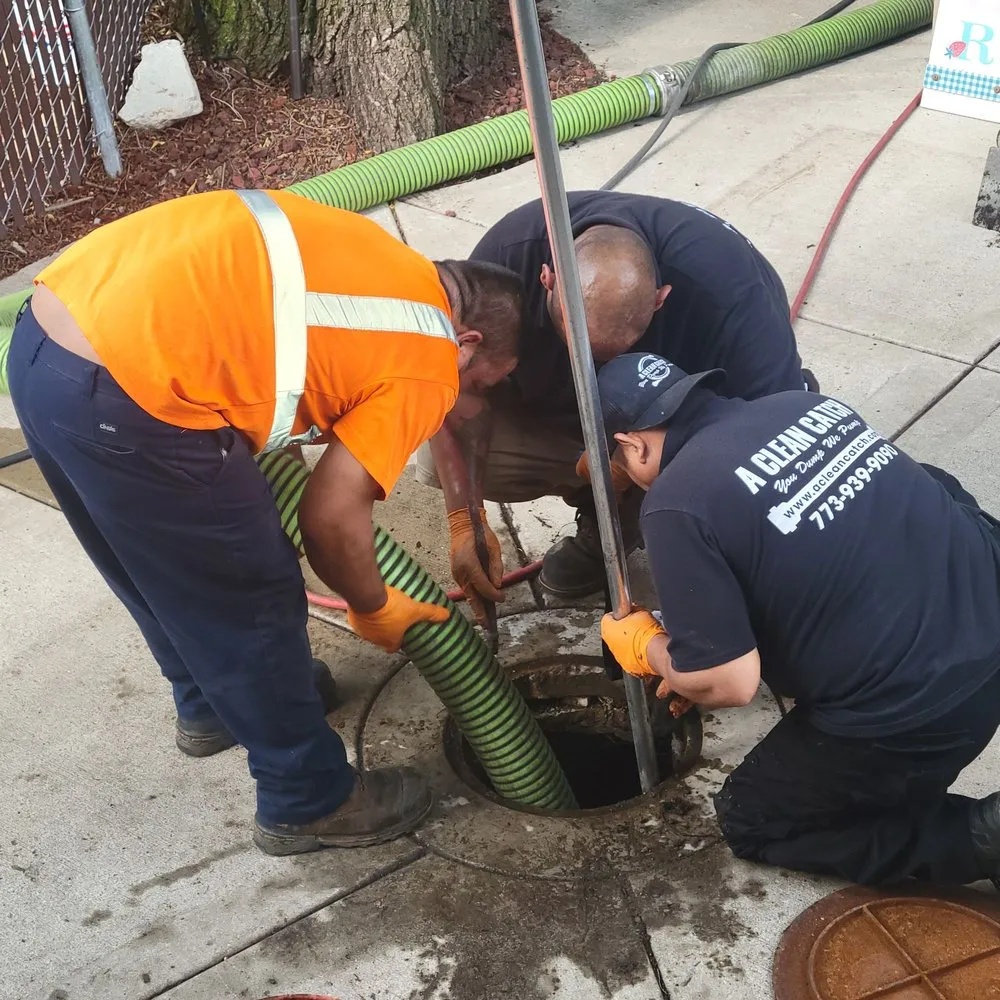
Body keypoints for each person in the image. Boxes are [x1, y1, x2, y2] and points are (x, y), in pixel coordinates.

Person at [6, 189, 523, 857]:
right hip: (134, 393)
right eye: (485, 382)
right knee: (251, 594)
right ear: (467, 343)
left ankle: (209, 705)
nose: (468, 400)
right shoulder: (429, 358)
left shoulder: (389, 265)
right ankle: (307, 799)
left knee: (160, 566)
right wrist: (373, 605)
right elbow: (331, 515)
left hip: (46, 342)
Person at [597, 351, 1000, 887]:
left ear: (632, 445)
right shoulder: (807, 405)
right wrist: (700, 638)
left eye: (620, 463)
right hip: (984, 612)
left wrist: (649, 648)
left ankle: (977, 838)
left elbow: (733, 684)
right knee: (931, 482)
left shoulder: (676, 502)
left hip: (922, 713)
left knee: (756, 819)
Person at [416, 190, 811, 608]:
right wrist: (466, 517)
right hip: (567, 424)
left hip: (677, 428)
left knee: (723, 494)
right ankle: (601, 509)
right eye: (575, 345)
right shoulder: (511, 257)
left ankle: (628, 518)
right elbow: (456, 391)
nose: (596, 369)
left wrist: (641, 472)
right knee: (437, 455)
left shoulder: (732, 294)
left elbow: (775, 432)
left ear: (661, 298)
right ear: (546, 279)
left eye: (612, 355)